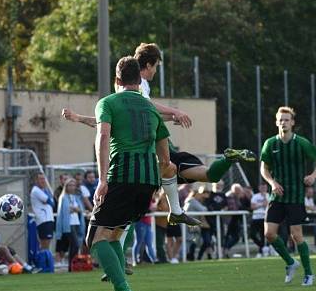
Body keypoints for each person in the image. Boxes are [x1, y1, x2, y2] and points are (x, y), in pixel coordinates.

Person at [63, 42, 256, 227]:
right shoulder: (139, 86)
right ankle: (221, 166)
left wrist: (79, 118)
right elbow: (146, 109)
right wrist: (174, 112)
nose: (156, 71)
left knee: (186, 175)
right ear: (146, 66)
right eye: (155, 66)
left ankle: (176, 212)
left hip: (152, 154)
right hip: (149, 152)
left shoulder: (120, 95)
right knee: (195, 172)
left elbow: (130, 121)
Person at [87, 56, 175, 291]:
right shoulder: (150, 108)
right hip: (147, 182)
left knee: (95, 238)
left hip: (122, 177)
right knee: (113, 235)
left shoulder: (108, 103)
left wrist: (102, 179)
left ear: (117, 80)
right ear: (140, 80)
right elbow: (165, 156)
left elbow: (102, 136)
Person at [260, 106, 316, 287]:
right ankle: (290, 262)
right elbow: (264, 168)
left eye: (287, 119)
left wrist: (313, 176)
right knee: (269, 234)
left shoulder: (302, 143)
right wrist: (272, 183)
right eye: (281, 119)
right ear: (276, 122)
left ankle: (309, 274)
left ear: (293, 122)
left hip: (296, 196)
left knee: (296, 236)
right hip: (277, 197)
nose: (283, 122)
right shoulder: (270, 144)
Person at [55, 177, 85, 271]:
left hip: (77, 223)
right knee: (75, 244)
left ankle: (72, 266)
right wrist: (70, 210)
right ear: (66, 186)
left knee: (74, 245)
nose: (72, 187)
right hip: (68, 225)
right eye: (70, 185)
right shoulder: (63, 197)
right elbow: (61, 212)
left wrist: (77, 209)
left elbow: (81, 210)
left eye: (73, 185)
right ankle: (71, 265)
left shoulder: (76, 197)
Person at [29, 171, 55, 269]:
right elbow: (50, 201)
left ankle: (46, 264)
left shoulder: (44, 190)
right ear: (36, 180)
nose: (43, 181)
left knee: (47, 243)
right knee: (44, 244)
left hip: (48, 219)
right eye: (40, 179)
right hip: (43, 219)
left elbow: (52, 201)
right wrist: (50, 200)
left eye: (44, 179)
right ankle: (43, 265)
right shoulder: (36, 190)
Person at [250, 182, 268, 256]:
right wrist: (261, 204)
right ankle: (263, 247)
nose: (263, 189)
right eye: (261, 187)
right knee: (252, 234)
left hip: (266, 218)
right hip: (256, 218)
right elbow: (252, 207)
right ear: (259, 188)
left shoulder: (269, 195)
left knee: (263, 235)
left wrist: (264, 201)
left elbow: (268, 205)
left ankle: (261, 251)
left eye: (264, 187)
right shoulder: (255, 196)